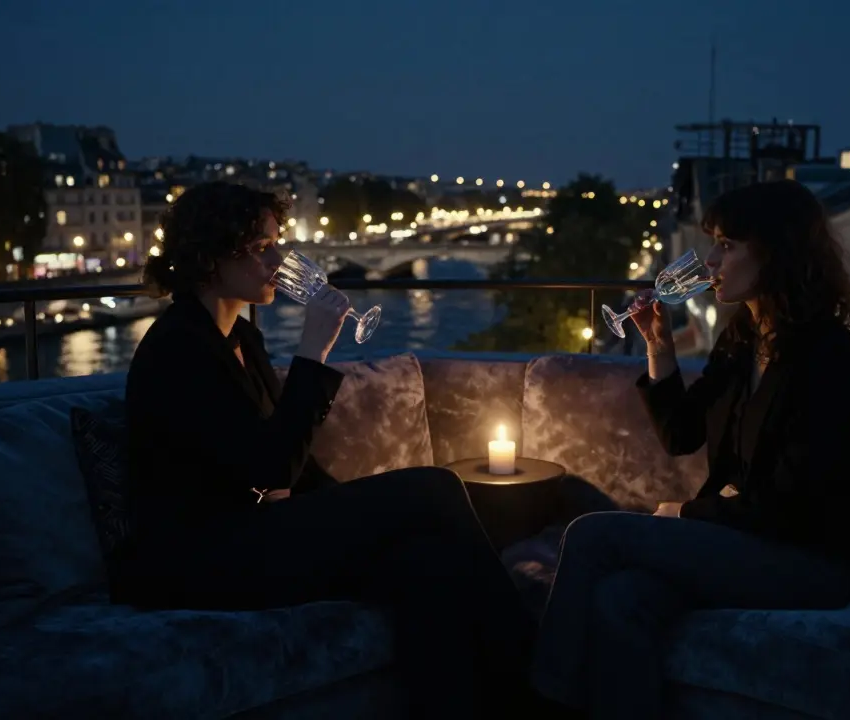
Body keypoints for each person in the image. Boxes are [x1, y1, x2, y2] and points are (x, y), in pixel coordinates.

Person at [114, 181, 536, 719]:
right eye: (262, 246)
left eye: (278, 243)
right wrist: (313, 351)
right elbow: (268, 469)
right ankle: (536, 674)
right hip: (200, 559)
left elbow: (292, 467)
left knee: (427, 564)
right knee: (433, 487)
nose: (279, 258)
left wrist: (358, 509)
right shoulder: (176, 348)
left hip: (254, 536)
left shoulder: (242, 339)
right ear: (213, 254)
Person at [531, 180, 850, 718]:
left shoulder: (827, 358)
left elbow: (796, 504)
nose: (712, 260)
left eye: (727, 245)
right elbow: (682, 435)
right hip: (741, 539)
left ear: (775, 251)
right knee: (622, 599)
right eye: (713, 242)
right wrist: (658, 348)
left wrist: (689, 513)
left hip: (809, 561)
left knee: (593, 534)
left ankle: (540, 698)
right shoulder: (745, 336)